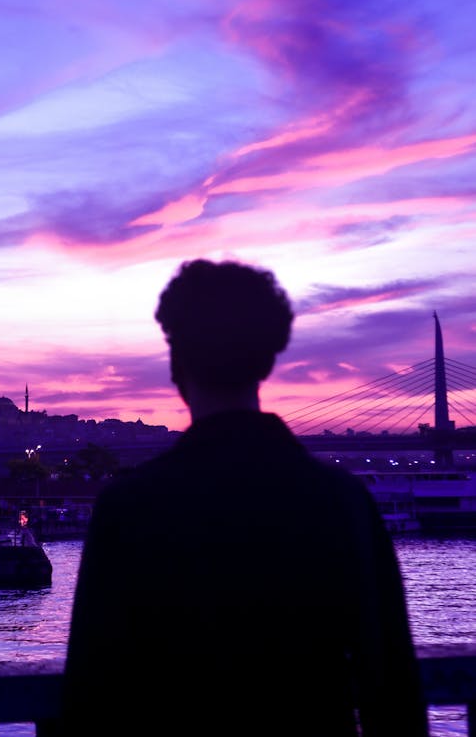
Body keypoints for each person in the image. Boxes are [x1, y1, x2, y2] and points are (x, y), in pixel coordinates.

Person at [58, 259, 429, 736]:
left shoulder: (128, 508)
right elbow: (392, 685)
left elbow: (91, 695)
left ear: (176, 367)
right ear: (268, 362)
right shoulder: (344, 502)